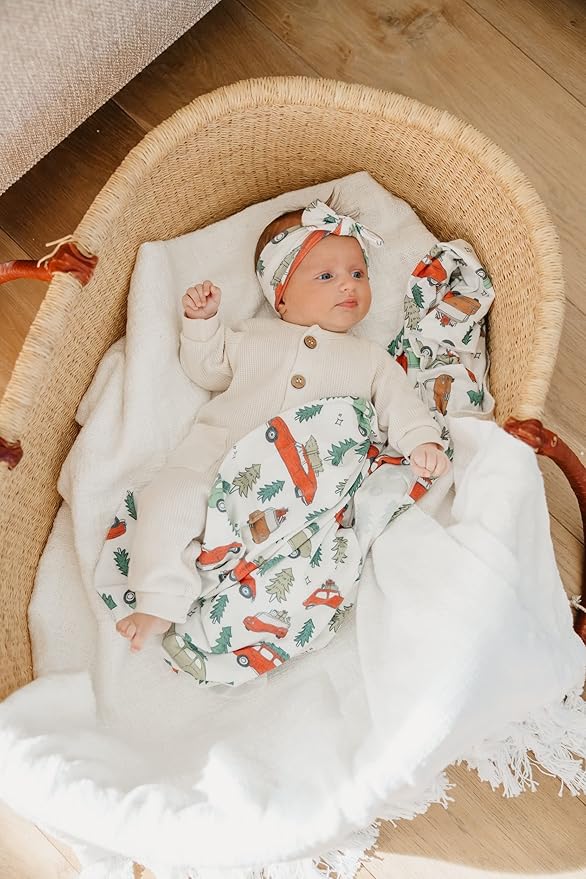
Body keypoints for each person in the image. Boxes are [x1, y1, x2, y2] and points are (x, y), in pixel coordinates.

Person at [117, 198, 450, 653]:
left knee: (308, 557)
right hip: (219, 458)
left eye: (358, 273)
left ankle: (249, 612)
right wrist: (202, 324)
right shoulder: (253, 335)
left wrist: (421, 440)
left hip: (298, 490)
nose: (348, 285)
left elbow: (400, 403)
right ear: (282, 296)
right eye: (326, 276)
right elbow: (207, 370)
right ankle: (159, 598)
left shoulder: (369, 359)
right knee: (169, 498)